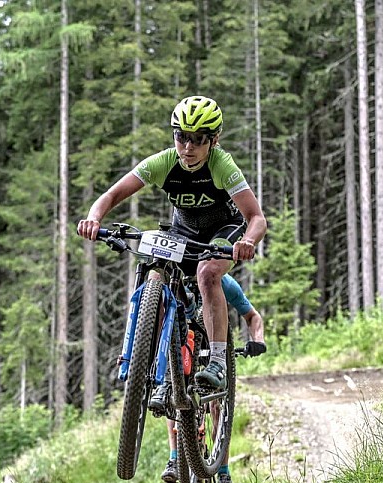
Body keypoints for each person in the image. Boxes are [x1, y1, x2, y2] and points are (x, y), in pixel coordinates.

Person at [76, 95, 267, 395]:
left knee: (207, 274)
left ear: (213, 140)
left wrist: (248, 241)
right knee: (155, 273)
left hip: (223, 230)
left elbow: (256, 217)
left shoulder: (222, 165)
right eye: (181, 137)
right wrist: (93, 217)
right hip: (185, 231)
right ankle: (153, 364)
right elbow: (112, 195)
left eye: (198, 139)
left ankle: (217, 361)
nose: (188, 147)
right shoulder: (164, 162)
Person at [156, 273, 266, 483]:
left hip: (212, 349)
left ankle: (223, 473)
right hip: (184, 347)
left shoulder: (222, 282)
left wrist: (258, 340)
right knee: (174, 386)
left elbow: (253, 317)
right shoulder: (176, 280)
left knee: (217, 404)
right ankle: (174, 458)